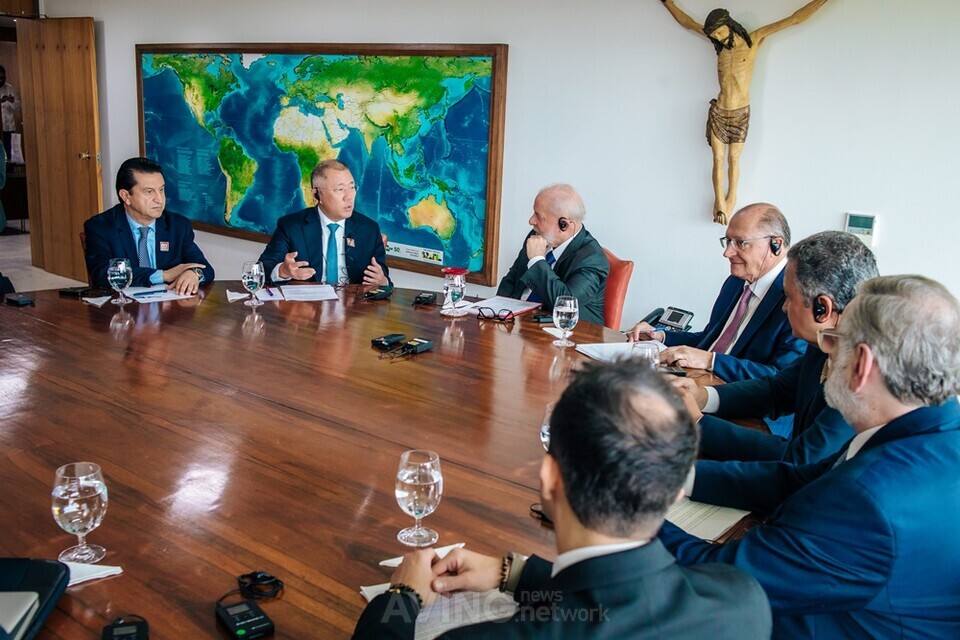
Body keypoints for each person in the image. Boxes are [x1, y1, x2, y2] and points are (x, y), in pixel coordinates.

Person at [353, 360, 771, 639]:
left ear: (549, 478)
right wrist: (513, 574)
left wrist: (401, 599)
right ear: (678, 489)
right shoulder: (742, 602)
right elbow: (615, 601)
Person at [660, 275, 960, 639]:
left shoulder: (867, 499)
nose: (825, 354)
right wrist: (676, 478)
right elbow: (798, 479)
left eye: (834, 342)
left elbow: (727, 578)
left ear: (861, 365)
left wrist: (623, 507)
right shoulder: (935, 431)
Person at [676, 231, 877, 463]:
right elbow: (776, 391)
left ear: (823, 309)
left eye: (789, 298)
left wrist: (697, 423)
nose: (783, 307)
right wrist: (702, 396)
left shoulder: (862, 374)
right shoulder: (826, 340)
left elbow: (799, 460)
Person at [658, 1, 830, 224]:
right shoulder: (716, 43)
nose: (718, 38)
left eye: (720, 32)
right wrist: (667, 3)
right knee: (717, 158)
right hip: (720, 109)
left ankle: (731, 197)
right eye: (714, 35)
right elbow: (687, 23)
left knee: (733, 158)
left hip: (739, 112)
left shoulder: (754, 40)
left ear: (729, 25)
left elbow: (794, 18)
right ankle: (720, 202)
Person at [630, 203, 805, 386]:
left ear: (775, 245)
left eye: (740, 243)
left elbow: (782, 378)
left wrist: (710, 361)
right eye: (728, 241)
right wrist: (660, 336)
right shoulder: (735, 282)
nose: (727, 252)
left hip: (741, 400)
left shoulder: (796, 297)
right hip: (698, 382)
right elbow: (711, 339)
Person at [84, 157, 214, 295]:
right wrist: (163, 275)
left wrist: (194, 274)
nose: (159, 199)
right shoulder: (101, 227)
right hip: (122, 308)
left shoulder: (178, 226)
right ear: (126, 196)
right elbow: (101, 274)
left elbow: (206, 268)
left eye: (161, 190)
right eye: (149, 192)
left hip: (168, 309)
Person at [258, 159, 389, 287]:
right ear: (316, 195)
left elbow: (385, 281)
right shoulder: (291, 226)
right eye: (340, 189)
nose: (349, 197)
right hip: (308, 306)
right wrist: (283, 271)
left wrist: (382, 281)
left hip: (352, 305)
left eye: (352, 187)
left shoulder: (369, 229)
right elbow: (262, 268)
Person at [496, 184, 608, 325]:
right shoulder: (537, 235)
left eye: (539, 216)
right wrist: (496, 313)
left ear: (564, 225)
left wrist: (537, 261)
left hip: (568, 335)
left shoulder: (592, 258)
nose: (531, 221)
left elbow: (566, 304)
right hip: (520, 327)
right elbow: (511, 281)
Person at [0, 65, 20, 160]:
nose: (1, 80)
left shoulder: (10, 88)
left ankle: (9, 173)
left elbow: (19, 107)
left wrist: (12, 101)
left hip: (8, 128)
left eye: (3, 78)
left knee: (10, 155)